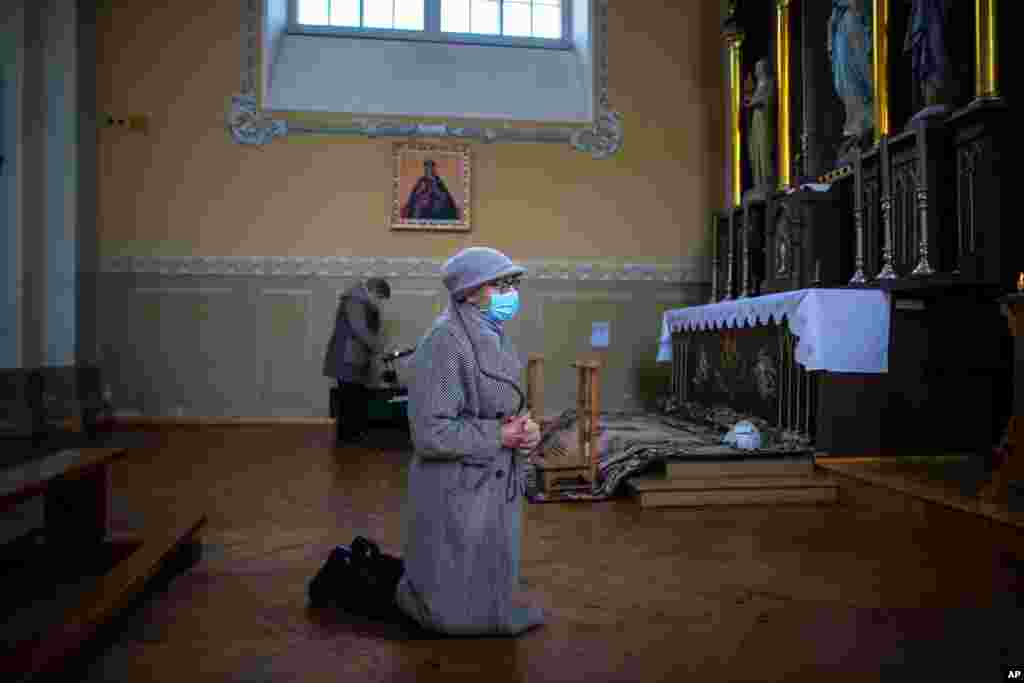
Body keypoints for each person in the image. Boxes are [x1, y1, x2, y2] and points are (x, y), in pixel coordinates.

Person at [394, 246, 545, 636]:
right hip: (458, 482)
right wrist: (499, 434)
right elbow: (430, 432)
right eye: (501, 284)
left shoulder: (490, 333)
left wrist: (523, 431)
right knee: (453, 577)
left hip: (488, 476)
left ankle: (488, 612)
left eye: (512, 283)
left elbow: (500, 404)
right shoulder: (446, 341)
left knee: (486, 567)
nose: (511, 293)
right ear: (470, 292)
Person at [322, 277, 390, 445]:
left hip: (353, 357)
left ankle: (352, 436)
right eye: (379, 298)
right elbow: (360, 329)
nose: (378, 302)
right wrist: (379, 349)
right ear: (374, 291)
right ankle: (347, 438)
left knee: (353, 396)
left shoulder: (358, 300)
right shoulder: (355, 300)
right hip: (347, 357)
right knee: (348, 398)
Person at [828, 0, 874, 142]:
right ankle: (855, 123)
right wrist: (830, 40)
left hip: (854, 26)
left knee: (857, 75)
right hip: (842, 31)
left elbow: (863, 8)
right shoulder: (838, 12)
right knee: (844, 79)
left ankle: (866, 121)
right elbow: (832, 21)